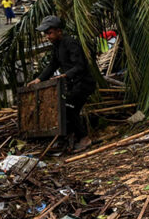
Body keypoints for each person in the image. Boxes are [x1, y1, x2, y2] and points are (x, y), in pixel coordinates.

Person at [28, 15, 98, 152]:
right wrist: (39, 79)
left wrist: (64, 75)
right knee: (67, 109)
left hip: (83, 83)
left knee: (69, 108)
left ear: (59, 31)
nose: (47, 36)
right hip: (73, 84)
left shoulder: (70, 43)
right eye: (46, 34)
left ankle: (84, 138)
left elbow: (80, 66)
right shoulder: (57, 46)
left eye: (50, 33)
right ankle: (70, 138)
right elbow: (52, 65)